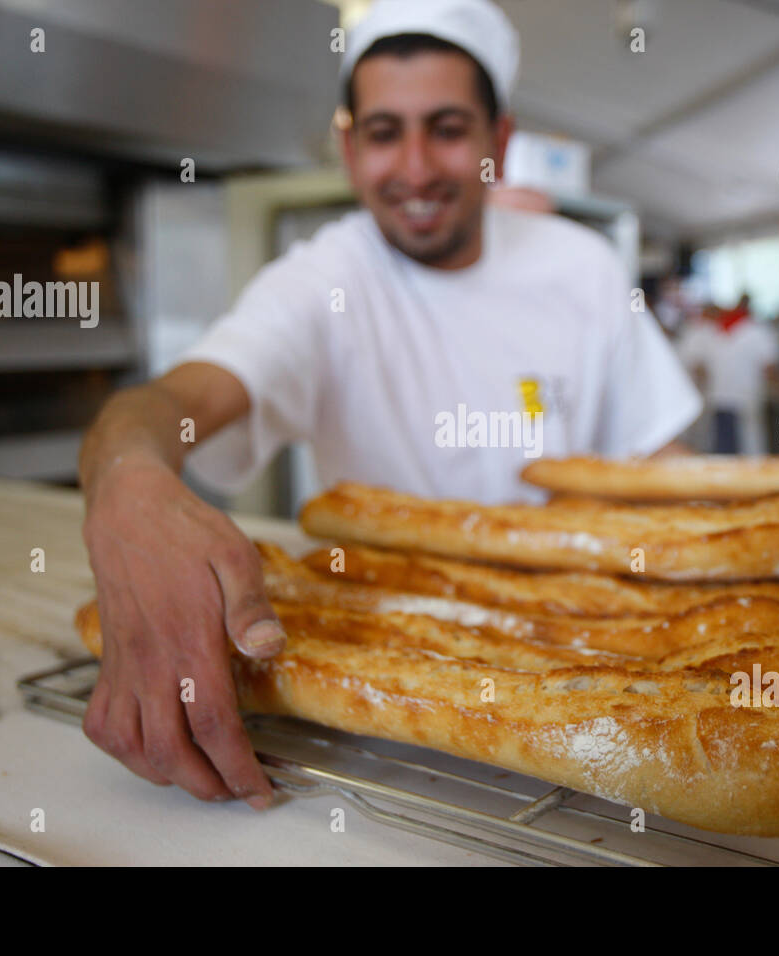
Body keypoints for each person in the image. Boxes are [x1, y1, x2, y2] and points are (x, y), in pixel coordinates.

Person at [76, 0, 701, 810]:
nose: (413, 168)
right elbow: (166, 407)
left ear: (497, 142)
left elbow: (662, 470)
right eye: (383, 133)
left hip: (588, 658)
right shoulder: (325, 282)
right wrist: (128, 482)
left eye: (446, 128)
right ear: (348, 145)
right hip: (389, 706)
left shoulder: (579, 270)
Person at [676, 295, 779, 454]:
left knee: (724, 446)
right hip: (745, 397)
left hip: (719, 397)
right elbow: (770, 368)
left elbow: (699, 367)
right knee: (749, 446)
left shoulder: (711, 333)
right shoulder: (757, 331)